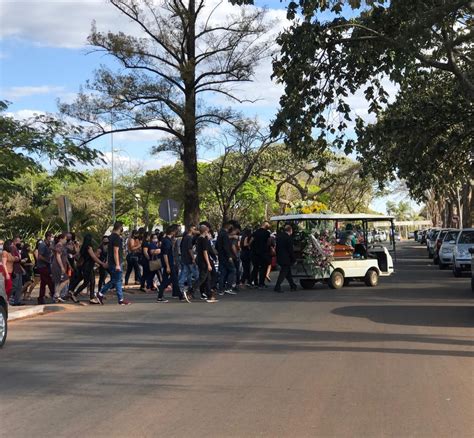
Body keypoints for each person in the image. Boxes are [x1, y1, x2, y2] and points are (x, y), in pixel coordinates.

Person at [96, 222, 131, 306]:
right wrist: (118, 264)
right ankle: (100, 293)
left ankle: (120, 299)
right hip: (116, 263)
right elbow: (115, 251)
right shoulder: (116, 238)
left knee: (118, 280)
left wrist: (108, 261)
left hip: (112, 262)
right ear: (120, 228)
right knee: (116, 280)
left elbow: (109, 251)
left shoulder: (110, 237)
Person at [70, 234, 108, 304]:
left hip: (86, 266)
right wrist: (102, 263)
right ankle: (83, 296)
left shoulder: (84, 247)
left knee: (89, 282)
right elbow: (93, 257)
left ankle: (89, 297)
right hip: (88, 267)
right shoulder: (88, 247)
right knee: (89, 282)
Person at [157, 224, 188, 303]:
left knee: (169, 280)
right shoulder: (167, 241)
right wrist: (167, 266)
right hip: (169, 264)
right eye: (177, 230)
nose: (178, 232)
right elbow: (165, 254)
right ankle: (180, 296)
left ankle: (161, 296)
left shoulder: (168, 240)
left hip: (170, 263)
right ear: (173, 232)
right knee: (173, 280)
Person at [195, 224, 218, 303]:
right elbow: (205, 252)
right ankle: (190, 291)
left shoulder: (199, 239)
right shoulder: (204, 240)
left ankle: (209, 295)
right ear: (206, 231)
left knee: (208, 279)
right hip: (204, 261)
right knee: (202, 278)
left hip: (200, 260)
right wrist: (208, 264)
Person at [274, 225, 298, 293]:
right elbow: (290, 250)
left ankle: (292, 285)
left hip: (280, 257)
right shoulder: (288, 238)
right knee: (283, 273)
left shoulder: (279, 237)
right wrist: (294, 259)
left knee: (287, 273)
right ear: (290, 230)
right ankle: (277, 286)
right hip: (286, 258)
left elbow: (277, 248)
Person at [216, 221, 237, 295]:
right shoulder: (225, 235)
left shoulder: (219, 234)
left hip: (221, 256)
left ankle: (221, 289)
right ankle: (228, 287)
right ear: (228, 227)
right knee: (233, 270)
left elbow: (217, 246)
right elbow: (226, 247)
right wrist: (229, 256)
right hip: (226, 256)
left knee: (223, 272)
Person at [178, 224, 199, 297]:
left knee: (185, 274)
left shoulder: (185, 238)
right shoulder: (189, 238)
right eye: (194, 229)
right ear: (191, 229)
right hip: (189, 259)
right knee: (197, 276)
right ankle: (191, 290)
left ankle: (181, 289)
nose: (195, 231)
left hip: (185, 259)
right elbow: (190, 249)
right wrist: (193, 258)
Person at [250, 221, 272, 288]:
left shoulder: (255, 232)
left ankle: (251, 282)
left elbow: (251, 240)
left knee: (255, 268)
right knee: (263, 268)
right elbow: (269, 242)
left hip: (255, 253)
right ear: (265, 225)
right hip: (263, 252)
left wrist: (250, 246)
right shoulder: (267, 233)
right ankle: (261, 283)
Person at [36, 232, 55, 304]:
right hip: (42, 266)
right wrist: (48, 261)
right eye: (50, 237)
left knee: (43, 283)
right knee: (49, 281)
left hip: (46, 266)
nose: (51, 238)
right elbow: (40, 256)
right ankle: (54, 295)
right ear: (47, 237)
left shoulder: (48, 245)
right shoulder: (42, 245)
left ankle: (41, 298)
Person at [52, 233, 70, 303]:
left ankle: (56, 297)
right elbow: (58, 256)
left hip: (60, 265)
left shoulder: (62, 246)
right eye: (65, 239)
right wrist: (62, 266)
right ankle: (57, 294)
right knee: (66, 280)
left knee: (58, 281)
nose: (66, 240)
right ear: (61, 239)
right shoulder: (59, 245)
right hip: (58, 266)